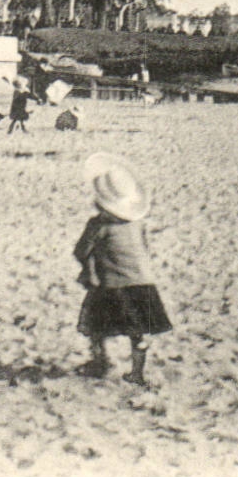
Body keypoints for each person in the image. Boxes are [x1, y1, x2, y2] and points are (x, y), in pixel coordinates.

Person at [72, 156, 172, 385]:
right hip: (142, 282)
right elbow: (145, 251)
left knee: (96, 326)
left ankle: (101, 362)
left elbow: (80, 251)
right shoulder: (138, 225)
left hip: (111, 285)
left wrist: (89, 268)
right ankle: (137, 371)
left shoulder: (98, 226)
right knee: (138, 331)